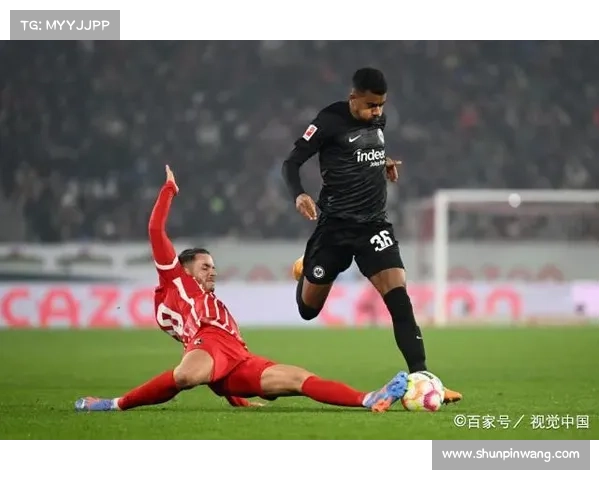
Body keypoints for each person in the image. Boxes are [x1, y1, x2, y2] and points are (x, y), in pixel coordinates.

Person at [75, 166, 409, 413]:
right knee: (187, 375)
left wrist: (237, 399)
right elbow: (155, 230)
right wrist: (169, 190)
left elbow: (215, 364)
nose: (212, 272)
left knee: (298, 379)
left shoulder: (212, 304)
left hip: (237, 358)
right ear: (184, 268)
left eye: (213, 267)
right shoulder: (175, 279)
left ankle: (369, 398)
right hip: (210, 344)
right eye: (205, 266)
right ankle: (113, 404)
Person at [281, 67, 462, 404]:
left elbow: (362, 151)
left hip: (374, 227)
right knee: (308, 310)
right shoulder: (328, 121)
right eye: (370, 105)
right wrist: (299, 194)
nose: (377, 112)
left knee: (399, 299)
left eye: (381, 105)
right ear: (353, 98)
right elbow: (290, 163)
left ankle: (424, 377)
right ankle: (306, 267)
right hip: (334, 229)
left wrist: (383, 162)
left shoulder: (378, 119)